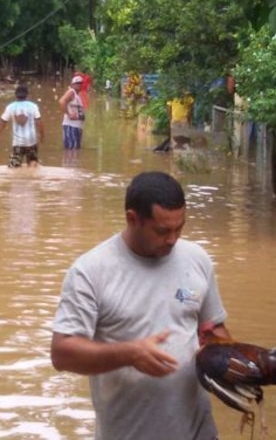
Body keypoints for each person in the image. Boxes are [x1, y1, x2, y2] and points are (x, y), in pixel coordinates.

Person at [50, 171, 232, 440]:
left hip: (199, 432)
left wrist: (239, 361)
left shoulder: (197, 259)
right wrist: (129, 354)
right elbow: (62, 354)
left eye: (179, 228)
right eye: (162, 231)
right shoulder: (90, 272)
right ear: (132, 218)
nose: (172, 239)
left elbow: (214, 330)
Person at [0, 84, 44, 167]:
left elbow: (2, 123)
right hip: (31, 141)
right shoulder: (33, 106)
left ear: (15, 95)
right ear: (27, 95)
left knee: (13, 167)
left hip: (18, 143)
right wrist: (42, 136)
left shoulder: (10, 107)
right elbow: (39, 123)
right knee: (33, 163)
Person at [58, 75, 86, 150]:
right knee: (71, 150)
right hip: (71, 126)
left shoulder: (78, 95)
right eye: (77, 83)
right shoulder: (71, 92)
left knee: (76, 149)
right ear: (73, 85)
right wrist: (69, 114)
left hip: (77, 127)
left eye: (80, 83)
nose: (79, 85)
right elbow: (62, 101)